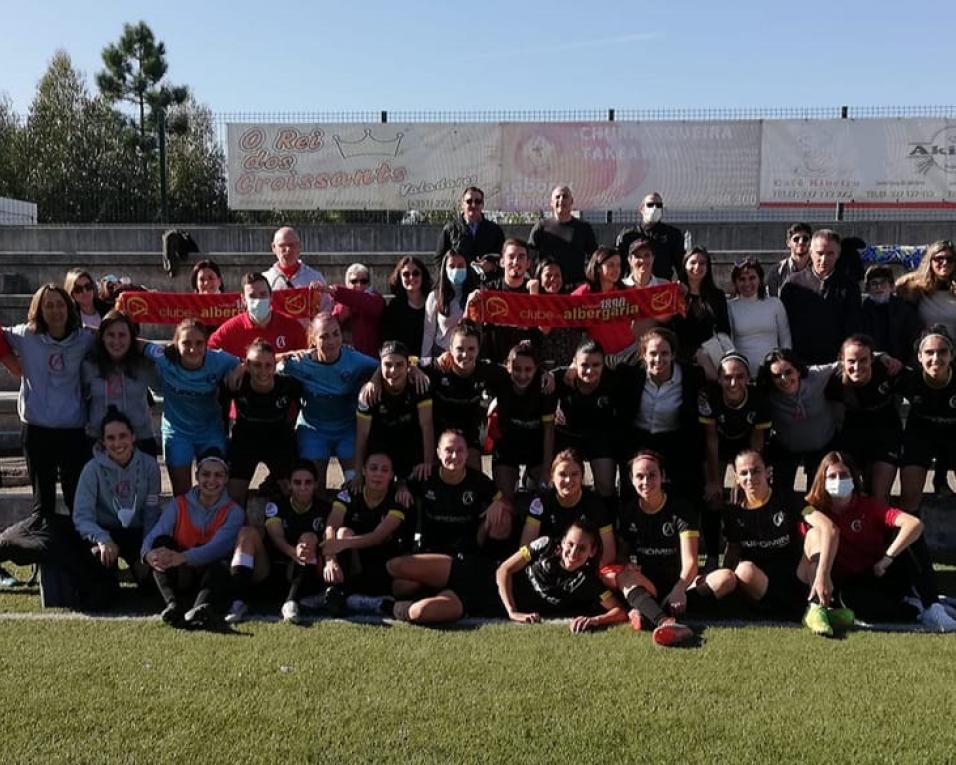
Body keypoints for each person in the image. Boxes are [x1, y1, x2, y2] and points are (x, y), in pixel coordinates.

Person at [351, 519, 624, 634]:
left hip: (475, 601)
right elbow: (504, 569)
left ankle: (381, 605)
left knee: (420, 612)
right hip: (475, 571)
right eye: (571, 544)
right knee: (397, 566)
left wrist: (594, 620)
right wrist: (513, 611)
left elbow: (619, 612)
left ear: (592, 552)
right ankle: (346, 588)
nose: (573, 552)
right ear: (563, 540)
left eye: (582, 548)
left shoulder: (588, 582)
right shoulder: (544, 545)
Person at [804, 451, 956, 631]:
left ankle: (932, 606)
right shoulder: (809, 508)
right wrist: (823, 576)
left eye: (844, 475)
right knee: (854, 604)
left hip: (878, 571)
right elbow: (826, 528)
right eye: (832, 476)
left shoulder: (869, 505)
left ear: (854, 478)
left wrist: (887, 558)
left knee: (911, 538)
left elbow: (914, 524)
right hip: (846, 584)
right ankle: (916, 609)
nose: (838, 481)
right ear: (822, 481)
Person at [697, 450, 842, 635]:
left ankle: (816, 607)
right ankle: (800, 613)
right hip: (762, 587)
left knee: (815, 533)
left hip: (796, 579)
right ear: (737, 478)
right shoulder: (733, 512)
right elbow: (732, 551)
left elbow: (830, 529)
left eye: (756, 470)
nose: (750, 477)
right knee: (744, 570)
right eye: (744, 473)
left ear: (768, 472)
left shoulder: (789, 500)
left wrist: (823, 576)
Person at [1, 284, 95, 516]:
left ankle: (80, 550)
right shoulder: (26, 335)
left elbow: (118, 337)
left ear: (69, 307)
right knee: (43, 505)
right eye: (49, 305)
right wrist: (13, 365)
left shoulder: (84, 338)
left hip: (73, 430)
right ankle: (45, 549)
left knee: (77, 502)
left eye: (60, 304)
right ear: (39, 310)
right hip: (37, 429)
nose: (56, 310)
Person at [603, 451, 698, 646]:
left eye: (652, 475)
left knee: (724, 579)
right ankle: (666, 622)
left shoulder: (681, 509)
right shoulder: (628, 512)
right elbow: (622, 553)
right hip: (649, 585)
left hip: (680, 584)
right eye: (639, 476)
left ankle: (645, 612)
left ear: (663, 476)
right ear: (631, 479)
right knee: (620, 576)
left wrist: (679, 590)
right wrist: (627, 564)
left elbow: (691, 562)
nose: (646, 481)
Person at [142, 450, 244, 629]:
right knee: (161, 543)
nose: (211, 481)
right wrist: (148, 554)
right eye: (206, 474)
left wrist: (184, 557)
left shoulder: (234, 511)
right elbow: (155, 534)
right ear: (196, 476)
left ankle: (200, 607)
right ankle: (172, 604)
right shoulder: (179, 504)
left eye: (218, 475)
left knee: (221, 563)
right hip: (182, 572)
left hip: (210, 575)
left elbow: (218, 548)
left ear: (226, 479)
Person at [279, 313, 378, 491]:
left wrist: (374, 381)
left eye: (336, 334)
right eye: (324, 336)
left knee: (355, 484)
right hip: (313, 429)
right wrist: (286, 355)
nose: (331, 341)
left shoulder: (354, 360)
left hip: (347, 429)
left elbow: (383, 366)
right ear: (312, 340)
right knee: (312, 487)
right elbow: (263, 361)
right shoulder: (301, 362)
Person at [143, 319, 241, 497]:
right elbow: (138, 344)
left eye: (199, 343)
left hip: (210, 431)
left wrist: (236, 374)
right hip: (177, 432)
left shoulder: (219, 360)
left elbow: (246, 361)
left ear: (206, 344)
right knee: (181, 494)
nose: (193, 349)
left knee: (215, 490)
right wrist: (95, 331)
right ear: (176, 344)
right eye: (186, 343)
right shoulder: (164, 357)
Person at [72, 410, 162, 601]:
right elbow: (82, 516)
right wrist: (102, 539)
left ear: (133, 437)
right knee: (101, 598)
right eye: (110, 438)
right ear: (103, 442)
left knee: (153, 592)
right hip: (106, 533)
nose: (117, 443)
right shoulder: (91, 470)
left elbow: (152, 511)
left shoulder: (150, 466)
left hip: (138, 533)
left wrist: (146, 550)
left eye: (123, 436)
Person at [698, 352, 771, 566]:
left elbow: (756, 443)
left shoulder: (759, 398)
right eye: (728, 377)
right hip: (717, 443)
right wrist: (713, 481)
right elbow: (711, 440)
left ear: (748, 378)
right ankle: (712, 556)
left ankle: (746, 551)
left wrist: (744, 477)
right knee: (713, 497)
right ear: (719, 378)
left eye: (740, 377)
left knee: (749, 491)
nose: (733, 382)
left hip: (745, 443)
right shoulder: (708, 395)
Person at [615, 327, 705, 503]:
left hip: (675, 440)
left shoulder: (691, 376)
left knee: (682, 492)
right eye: (653, 353)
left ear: (673, 355)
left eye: (664, 353)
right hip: (638, 440)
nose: (658, 359)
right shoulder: (629, 373)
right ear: (643, 355)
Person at [322, 452, 413, 609]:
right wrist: (330, 560)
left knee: (408, 585)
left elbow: (377, 537)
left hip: (384, 558)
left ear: (392, 475)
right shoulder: (349, 494)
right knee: (343, 531)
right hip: (353, 560)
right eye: (373, 468)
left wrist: (343, 544)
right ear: (364, 470)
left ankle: (352, 595)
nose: (378, 474)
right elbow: (331, 526)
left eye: (384, 470)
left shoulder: (397, 499)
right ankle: (339, 590)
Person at [248, 461, 330, 624]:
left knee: (308, 538)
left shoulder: (325, 508)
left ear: (316, 484)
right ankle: (238, 599)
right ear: (289, 484)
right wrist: (293, 552)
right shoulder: (277, 506)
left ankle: (291, 602)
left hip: (307, 572)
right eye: (297, 482)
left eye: (308, 482)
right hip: (275, 568)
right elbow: (276, 537)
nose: (303, 487)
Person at [224, 339, 302, 507]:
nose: (263, 371)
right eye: (256, 365)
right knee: (233, 498)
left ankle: (271, 488)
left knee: (293, 492)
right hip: (245, 442)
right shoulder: (237, 383)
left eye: (268, 365)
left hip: (279, 442)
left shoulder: (288, 385)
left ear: (275, 365)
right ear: (247, 366)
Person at [825, 335, 902, 503]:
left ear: (872, 359)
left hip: (886, 432)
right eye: (851, 361)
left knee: (879, 496)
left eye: (863, 360)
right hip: (853, 434)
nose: (857, 366)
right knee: (850, 494)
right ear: (842, 361)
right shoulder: (836, 380)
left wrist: (886, 357)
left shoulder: (887, 369)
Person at [758, 348, 840, 497]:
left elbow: (849, 360)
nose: (783, 379)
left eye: (788, 372)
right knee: (779, 493)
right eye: (776, 376)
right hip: (786, 448)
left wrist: (885, 358)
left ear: (798, 370)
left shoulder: (816, 376)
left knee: (818, 495)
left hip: (822, 446)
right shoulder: (767, 393)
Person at [354, 340, 434, 484]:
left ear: (408, 366)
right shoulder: (368, 394)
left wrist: (428, 464)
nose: (393, 370)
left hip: (410, 450)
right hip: (381, 451)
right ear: (380, 365)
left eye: (399, 365)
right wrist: (358, 473)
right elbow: (362, 435)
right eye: (388, 365)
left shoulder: (418, 385)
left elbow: (426, 426)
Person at [552, 339, 623, 499]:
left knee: (606, 487)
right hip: (567, 437)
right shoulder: (562, 378)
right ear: (574, 363)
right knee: (563, 484)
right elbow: (540, 379)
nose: (590, 371)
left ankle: (606, 520)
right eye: (584, 365)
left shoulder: (613, 379)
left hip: (600, 437)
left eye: (596, 365)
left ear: (603, 364)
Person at [82, 310, 159, 456]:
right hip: (99, 440)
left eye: (122, 335)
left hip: (140, 438)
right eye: (110, 335)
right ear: (102, 337)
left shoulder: (144, 364)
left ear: (132, 338)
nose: (116, 341)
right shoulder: (89, 364)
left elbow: (160, 387)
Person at [486, 341, 556, 501]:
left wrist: (547, 469)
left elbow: (549, 429)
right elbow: (474, 364)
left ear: (536, 369)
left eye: (528, 369)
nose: (522, 375)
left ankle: (530, 478)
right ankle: (514, 481)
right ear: (508, 367)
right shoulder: (500, 378)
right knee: (503, 502)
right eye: (517, 369)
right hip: (507, 448)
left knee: (546, 497)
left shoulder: (544, 385)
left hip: (536, 448)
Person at [780, 229, 862, 364]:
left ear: (838, 254)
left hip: (835, 363)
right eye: (820, 253)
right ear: (811, 252)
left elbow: (852, 327)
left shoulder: (849, 287)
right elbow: (785, 326)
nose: (824, 259)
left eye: (830, 254)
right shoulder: (792, 284)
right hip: (800, 362)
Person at [519, 449, 615, 565]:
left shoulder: (595, 504)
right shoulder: (541, 502)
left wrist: (590, 574)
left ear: (582, 476)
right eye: (562, 474)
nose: (568, 480)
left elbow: (609, 553)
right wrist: (526, 565)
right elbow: (525, 546)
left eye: (574, 474)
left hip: (583, 567)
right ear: (552, 476)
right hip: (547, 565)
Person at [897, 327, 956, 513]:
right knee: (909, 497)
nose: (936, 358)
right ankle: (910, 538)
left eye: (942, 352)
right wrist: (883, 357)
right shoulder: (909, 379)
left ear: (952, 355)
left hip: (954, 437)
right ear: (919, 357)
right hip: (920, 436)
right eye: (929, 352)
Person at [469, 238, 541, 363]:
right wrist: (471, 302)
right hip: (493, 362)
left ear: (528, 263)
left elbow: (542, 330)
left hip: (524, 367)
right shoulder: (488, 290)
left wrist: (534, 298)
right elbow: (470, 325)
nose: (516, 261)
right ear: (502, 262)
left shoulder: (534, 291)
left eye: (521, 257)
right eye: (511, 257)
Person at [207, 272, 307, 358]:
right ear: (243, 300)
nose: (258, 300)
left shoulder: (292, 327)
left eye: (263, 294)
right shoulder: (230, 330)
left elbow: (307, 357)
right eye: (252, 296)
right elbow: (209, 352)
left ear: (271, 296)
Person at [672, 246, 731, 377]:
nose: (697, 267)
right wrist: (695, 353)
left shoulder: (717, 296)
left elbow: (724, 329)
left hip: (712, 354)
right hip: (683, 356)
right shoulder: (675, 295)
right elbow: (672, 330)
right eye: (692, 262)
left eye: (702, 263)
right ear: (684, 265)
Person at [727, 257, 791, 376]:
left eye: (752, 278)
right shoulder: (729, 307)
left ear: (760, 279)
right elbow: (729, 344)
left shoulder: (775, 304)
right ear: (735, 282)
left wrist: (784, 369)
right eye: (742, 279)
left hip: (774, 374)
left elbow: (786, 341)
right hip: (743, 375)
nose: (747, 283)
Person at [527, 185, 597, 287]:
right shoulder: (541, 227)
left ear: (572, 201)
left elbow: (594, 258)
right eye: (557, 197)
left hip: (575, 286)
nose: (561, 200)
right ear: (551, 203)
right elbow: (529, 257)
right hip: (548, 287)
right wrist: (535, 278)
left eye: (565, 196)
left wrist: (588, 280)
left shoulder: (584, 228)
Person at [572, 246, 633, 355]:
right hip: (598, 357)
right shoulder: (583, 293)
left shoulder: (627, 292)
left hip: (627, 353)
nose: (616, 270)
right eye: (611, 265)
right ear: (598, 268)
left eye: (618, 265)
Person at [422, 249, 480, 358]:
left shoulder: (475, 295)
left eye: (460, 266)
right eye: (452, 266)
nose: (456, 269)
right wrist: (426, 360)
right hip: (442, 353)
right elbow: (428, 333)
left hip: (468, 355)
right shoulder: (435, 296)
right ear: (445, 269)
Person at [527, 256, 582, 369]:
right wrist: (534, 293)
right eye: (548, 275)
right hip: (545, 367)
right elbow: (545, 327)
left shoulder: (569, 299)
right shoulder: (534, 300)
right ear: (539, 279)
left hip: (570, 366)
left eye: (557, 275)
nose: (553, 279)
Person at [860, 265, 921, 365]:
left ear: (892, 286)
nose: (879, 287)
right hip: (870, 365)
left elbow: (915, 339)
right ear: (868, 288)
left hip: (902, 365)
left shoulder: (905, 310)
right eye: (874, 284)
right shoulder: (862, 311)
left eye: (883, 283)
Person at [896, 240, 956, 341]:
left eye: (950, 259)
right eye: (939, 258)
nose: (945, 262)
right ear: (930, 261)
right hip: (926, 350)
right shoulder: (914, 289)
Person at [615, 192, 684, 280]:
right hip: (635, 288)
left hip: (662, 288)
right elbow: (619, 265)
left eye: (659, 205)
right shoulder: (627, 235)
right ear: (641, 208)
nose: (655, 208)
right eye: (650, 205)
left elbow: (681, 266)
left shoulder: (673, 235)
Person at [434, 186, 505, 266]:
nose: (473, 205)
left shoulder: (495, 230)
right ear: (462, 204)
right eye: (469, 201)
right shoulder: (450, 229)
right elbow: (439, 259)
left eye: (478, 201)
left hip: (487, 278)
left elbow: (503, 259)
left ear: (482, 205)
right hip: (459, 278)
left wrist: (492, 266)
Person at [329, 263, 386, 357]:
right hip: (346, 357)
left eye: (364, 281)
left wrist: (336, 291)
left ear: (369, 284)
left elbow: (362, 301)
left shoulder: (376, 299)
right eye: (354, 281)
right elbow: (331, 326)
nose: (359, 285)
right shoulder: (339, 305)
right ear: (347, 284)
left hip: (370, 357)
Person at [381, 256, 432, 355]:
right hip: (403, 363)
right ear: (400, 278)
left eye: (416, 273)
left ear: (423, 276)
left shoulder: (433, 301)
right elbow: (389, 339)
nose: (411, 277)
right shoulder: (394, 306)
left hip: (431, 361)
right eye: (406, 274)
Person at [262, 226, 328, 292]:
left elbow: (328, 302)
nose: (288, 250)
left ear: (299, 246)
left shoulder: (315, 278)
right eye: (282, 245)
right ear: (274, 247)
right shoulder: (265, 280)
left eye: (291, 245)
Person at [766, 223, 812, 297]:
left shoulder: (819, 269)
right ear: (788, 243)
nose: (801, 242)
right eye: (796, 239)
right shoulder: (777, 271)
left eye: (805, 239)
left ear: (811, 242)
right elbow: (772, 302)